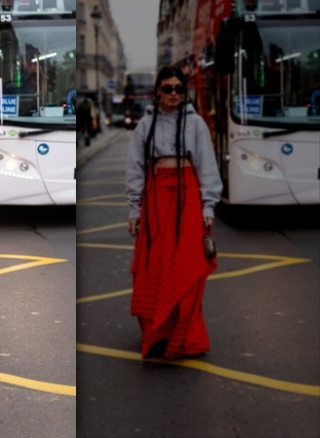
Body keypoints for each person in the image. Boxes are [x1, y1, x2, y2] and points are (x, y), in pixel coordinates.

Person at [125, 65, 222, 360]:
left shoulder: (196, 124)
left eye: (179, 89)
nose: (174, 94)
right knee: (154, 266)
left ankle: (186, 337)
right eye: (167, 89)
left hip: (188, 198)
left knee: (186, 266)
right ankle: (158, 334)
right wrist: (134, 210)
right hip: (156, 200)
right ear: (157, 92)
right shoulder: (145, 125)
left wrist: (208, 206)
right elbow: (136, 169)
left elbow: (207, 166)